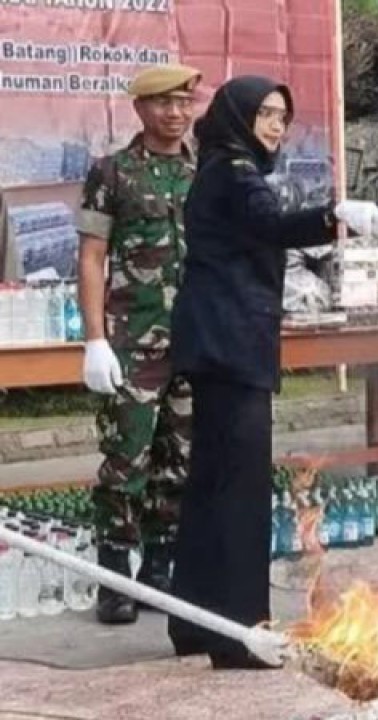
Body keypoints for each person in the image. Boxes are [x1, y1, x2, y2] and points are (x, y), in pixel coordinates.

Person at [167, 76, 378, 668]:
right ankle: (240, 635)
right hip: (232, 346)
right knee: (239, 491)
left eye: (282, 116)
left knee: (211, 483)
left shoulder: (218, 166)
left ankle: (194, 621)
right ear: (238, 116)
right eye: (264, 113)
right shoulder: (235, 170)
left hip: (219, 343)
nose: (275, 125)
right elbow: (272, 223)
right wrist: (334, 214)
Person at [75, 64, 201, 625]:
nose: (176, 113)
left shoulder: (205, 172)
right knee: (126, 462)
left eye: (184, 102)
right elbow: (91, 257)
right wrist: (95, 340)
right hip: (131, 343)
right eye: (164, 103)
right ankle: (113, 580)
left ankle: (159, 572)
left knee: (180, 462)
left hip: (194, 342)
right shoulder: (112, 173)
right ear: (140, 109)